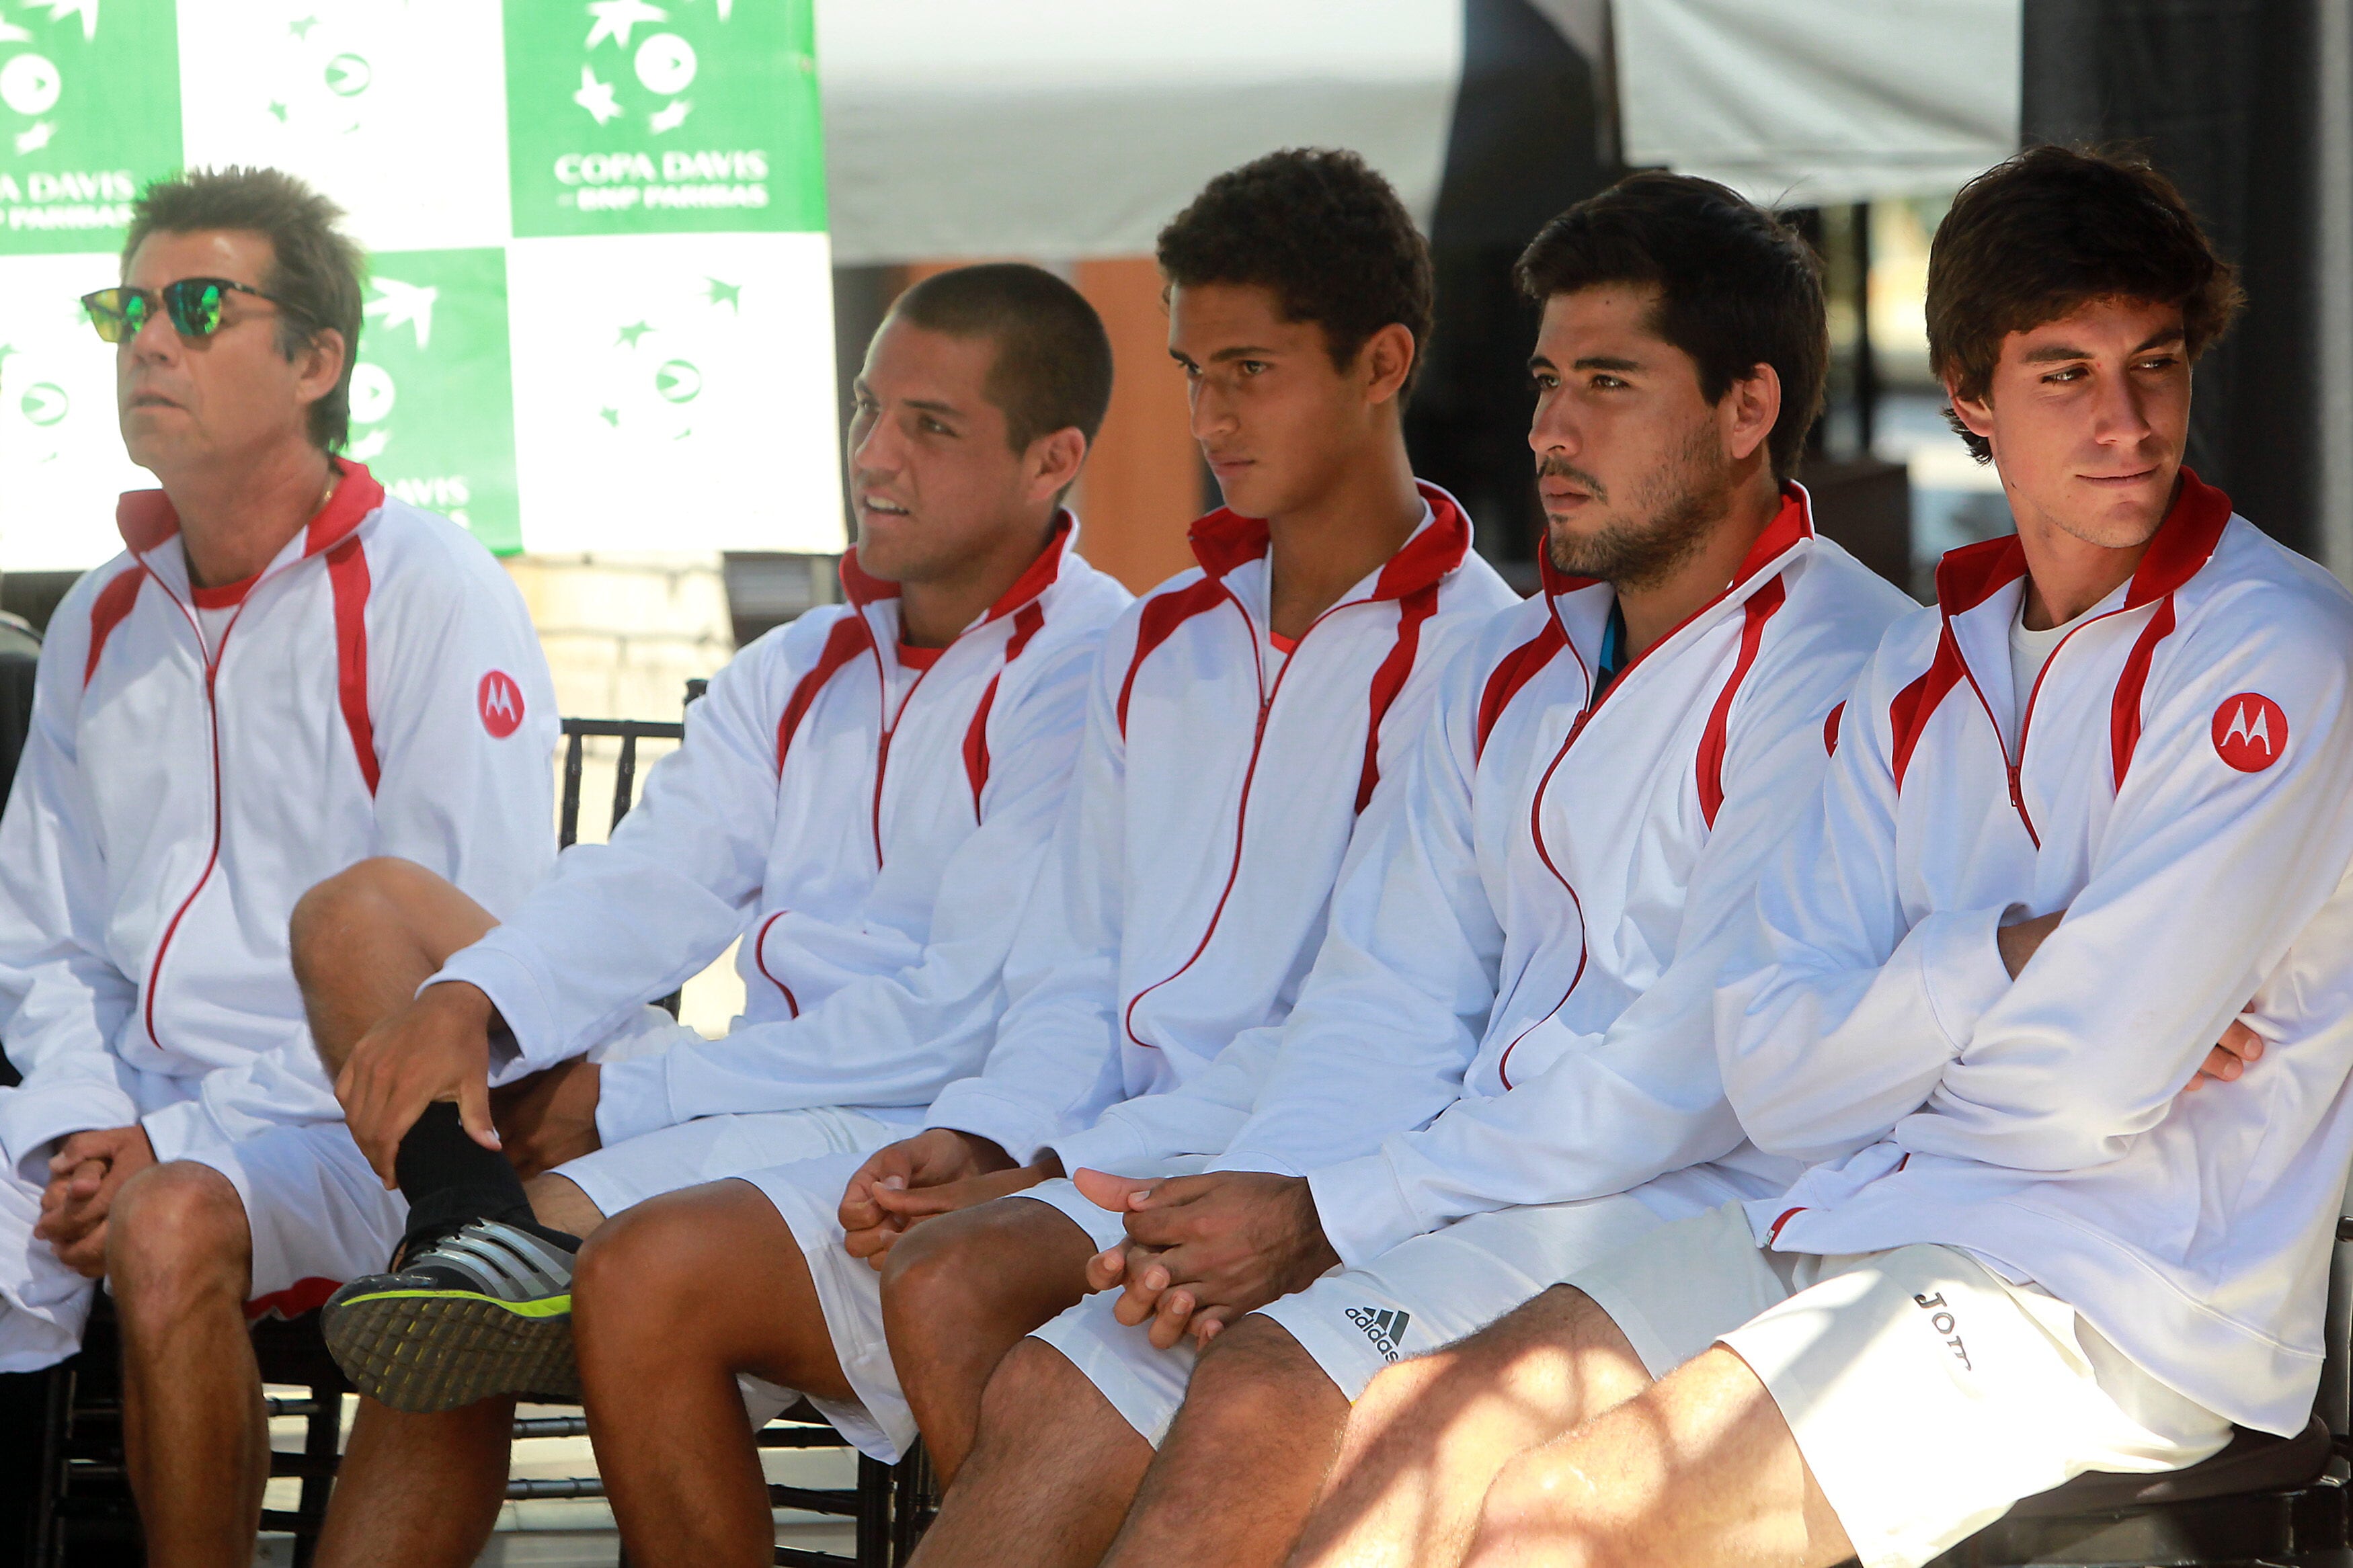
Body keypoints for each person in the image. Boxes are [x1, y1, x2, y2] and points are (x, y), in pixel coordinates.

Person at [1304, 144, 2353, 1568]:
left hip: (2112, 1295)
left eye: (2154, 366)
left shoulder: (2278, 648)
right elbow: (1776, 1074)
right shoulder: (1923, 663)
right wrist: (2016, 959)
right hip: (1854, 1208)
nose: (2126, 423)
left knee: (1565, 1520)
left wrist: (1912, 1035)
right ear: (1969, 396)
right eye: (2065, 374)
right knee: (1401, 1448)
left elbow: (2081, 1093)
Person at [900, 172, 1925, 1568]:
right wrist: (1263, 1201)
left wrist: (1331, 1212)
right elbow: (1385, 990)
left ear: (1748, 409)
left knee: (1261, 1392)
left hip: (1697, 1209)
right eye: (1547, 381)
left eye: (1609, 385)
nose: (1549, 430)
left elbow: (1689, 1075)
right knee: (1057, 1385)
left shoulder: (1851, 665)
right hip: (1449, 1178)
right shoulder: (1510, 661)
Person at [567, 147, 1516, 1567]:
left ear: (1382, 364)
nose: (1209, 415)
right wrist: (991, 1134)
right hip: (1090, 1154)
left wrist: (1061, 1168)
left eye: (1250, 371)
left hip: (1284, 1174)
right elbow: (1074, 958)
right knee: (652, 1272)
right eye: (1192, 371)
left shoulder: (1481, 661)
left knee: (949, 1278)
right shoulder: (1162, 637)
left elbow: (1364, 1023)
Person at [296, 262, 1132, 1565]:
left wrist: (631, 1098)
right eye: (866, 411)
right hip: (750, 1099)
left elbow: (963, 1020)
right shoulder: (795, 663)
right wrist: (475, 1005)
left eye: (929, 426)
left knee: (462, 1307)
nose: (874, 456)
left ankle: (482, 1235)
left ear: (1053, 460)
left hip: (936, 1140)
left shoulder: (1100, 668)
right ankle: (469, 1219)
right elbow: (649, 882)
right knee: (361, 924)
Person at [0, 166, 559, 1567]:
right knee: (143, 1195)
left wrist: (170, 1142)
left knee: (169, 1217)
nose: (148, 339)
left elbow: (461, 966)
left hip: (372, 1123)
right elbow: (42, 936)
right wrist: (80, 1124)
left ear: (318, 362)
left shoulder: (431, 589)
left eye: (197, 306)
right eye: (125, 308)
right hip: (131, 1114)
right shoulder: (99, 617)